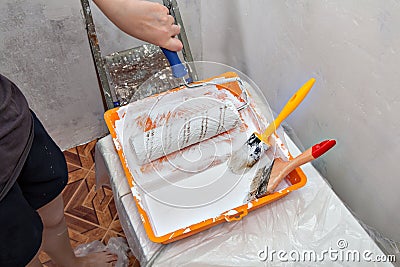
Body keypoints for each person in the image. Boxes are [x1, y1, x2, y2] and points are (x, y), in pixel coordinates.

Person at [0, 1, 182, 266]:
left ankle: (69, 263)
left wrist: (118, 7)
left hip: (11, 119)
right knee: (21, 250)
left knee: (50, 200)